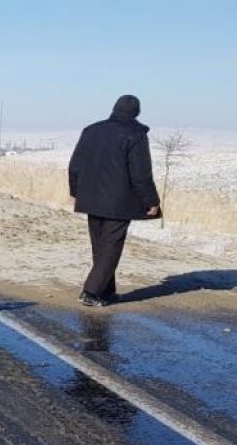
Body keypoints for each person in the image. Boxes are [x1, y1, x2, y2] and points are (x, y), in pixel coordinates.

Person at [68, 95, 162, 307]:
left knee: (100, 247)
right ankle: (91, 292)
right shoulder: (135, 134)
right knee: (110, 247)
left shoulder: (91, 131)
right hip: (119, 201)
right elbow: (141, 173)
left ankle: (106, 291)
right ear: (136, 112)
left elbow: (75, 165)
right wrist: (151, 201)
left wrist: (76, 190)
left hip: (91, 197)